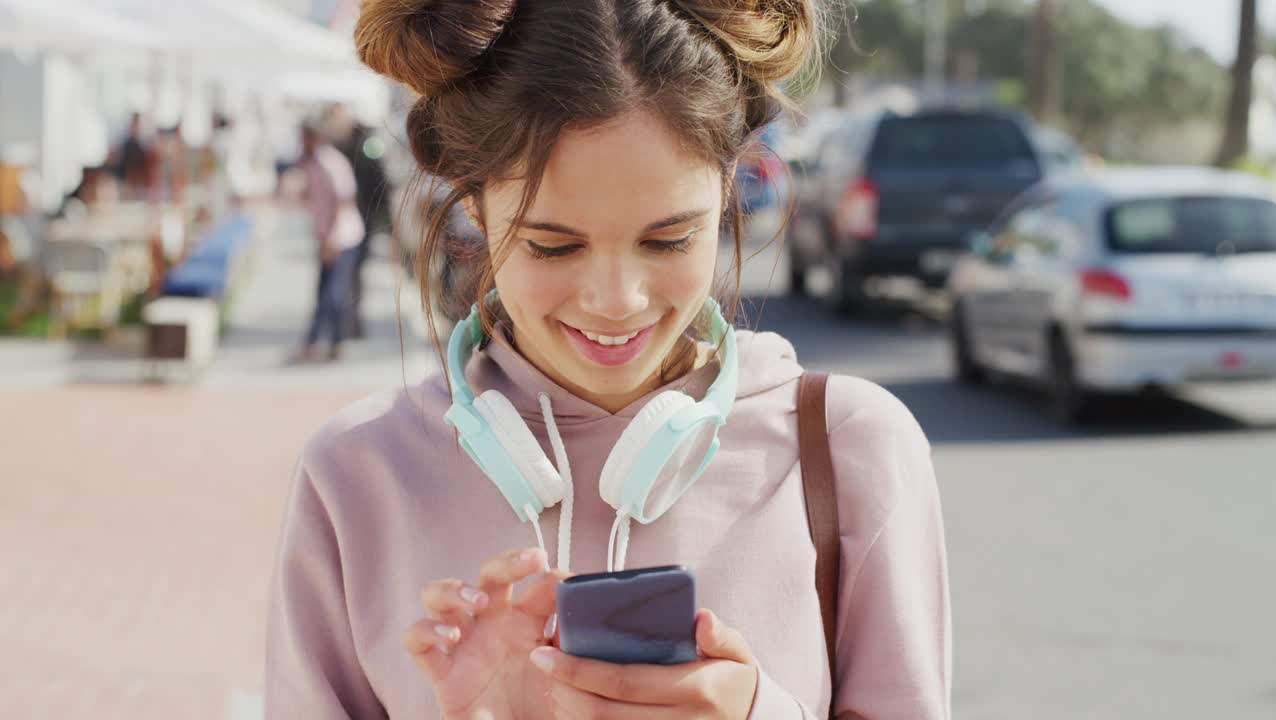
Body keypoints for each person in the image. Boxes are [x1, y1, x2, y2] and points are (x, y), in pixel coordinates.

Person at [266, 1, 951, 718]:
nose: (617, 301)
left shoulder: (849, 450)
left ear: (727, 189)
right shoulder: (354, 480)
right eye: (553, 246)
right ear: (474, 202)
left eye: (669, 240)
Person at [290, 122, 365, 364]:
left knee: (334, 292)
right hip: (327, 238)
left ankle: (334, 342)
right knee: (323, 291)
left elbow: (343, 201)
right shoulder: (311, 163)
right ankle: (316, 341)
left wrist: (331, 239)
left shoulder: (329, 162)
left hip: (341, 237)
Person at [336, 122, 393, 339]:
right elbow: (382, 190)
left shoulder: (343, 153)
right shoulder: (368, 156)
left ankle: (347, 321)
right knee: (354, 275)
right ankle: (352, 321)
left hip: (349, 223)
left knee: (346, 274)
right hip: (362, 222)